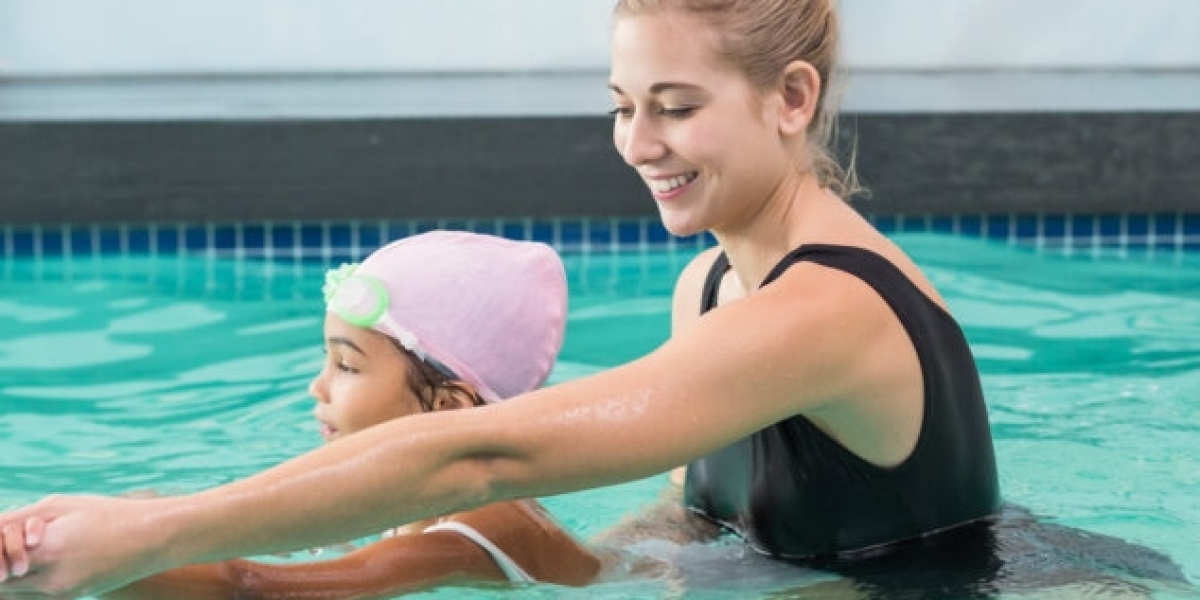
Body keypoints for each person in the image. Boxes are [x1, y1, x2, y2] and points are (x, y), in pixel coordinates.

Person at [0, 0, 1006, 596]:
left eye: (677, 108)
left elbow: (491, 447)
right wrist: (534, 560)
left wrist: (159, 532)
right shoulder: (711, 284)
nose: (638, 145)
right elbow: (696, 527)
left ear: (792, 100)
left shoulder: (828, 311)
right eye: (622, 107)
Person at [5, 230, 605, 599]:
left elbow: (261, 591)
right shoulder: (409, 502)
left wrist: (101, 563)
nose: (315, 387)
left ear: (446, 410)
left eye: (346, 366)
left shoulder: (483, 529)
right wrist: (124, 518)